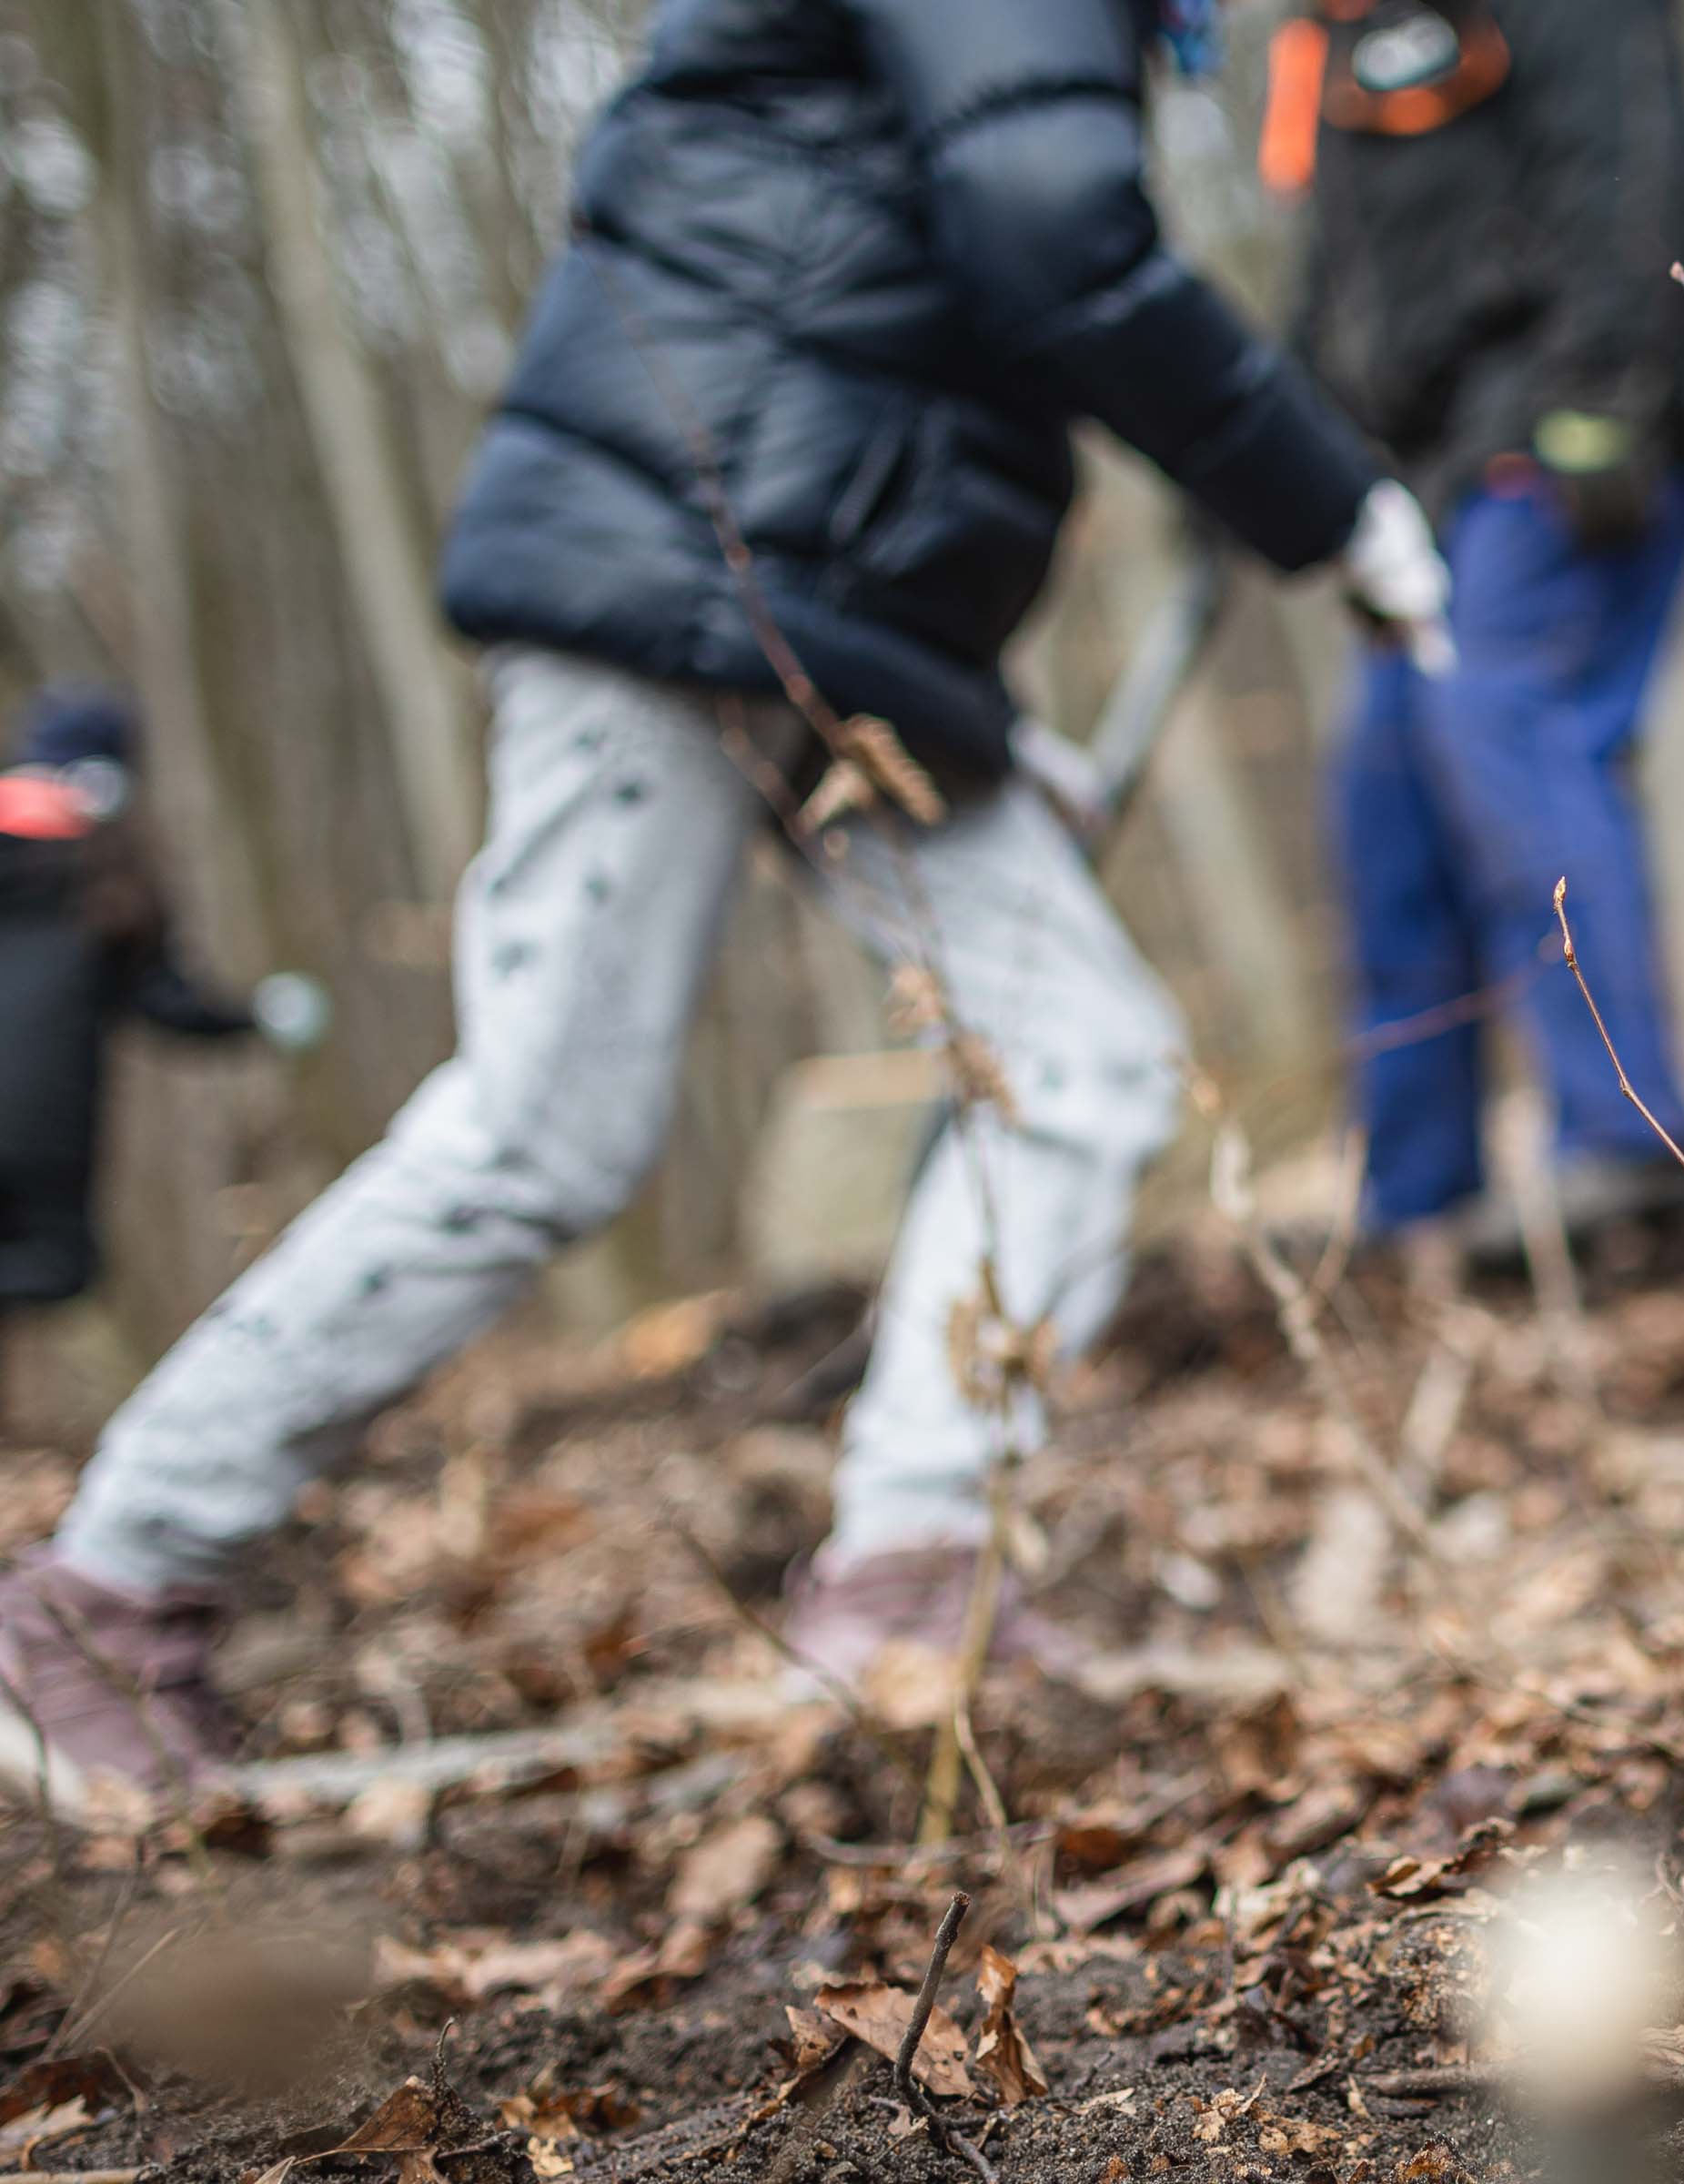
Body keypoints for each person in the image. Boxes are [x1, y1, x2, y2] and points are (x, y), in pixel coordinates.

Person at [0, 0, 1450, 1815]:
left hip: (821, 627)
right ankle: (102, 1589)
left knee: (1080, 1064)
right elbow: (1047, 228)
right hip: (668, 577)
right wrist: (1330, 505)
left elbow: (880, 343)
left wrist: (987, 723)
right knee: (548, 1129)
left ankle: (911, 1580)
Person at [1273, 0, 1684, 1251]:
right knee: (1386, 789)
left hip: (1572, 430)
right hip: (1423, 483)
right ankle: (1418, 1201)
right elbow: (1335, 289)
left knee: (1504, 726)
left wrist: (1601, 398)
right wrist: (1277, 455)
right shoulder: (1320, 45)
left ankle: (1633, 1151)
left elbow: (1625, 171)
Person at [0, 691, 324, 1324]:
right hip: (44, 1132)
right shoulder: (108, 881)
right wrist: (260, 1017)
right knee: (54, 1268)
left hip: (43, 1128)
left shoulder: (98, 884)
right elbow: (170, 1004)